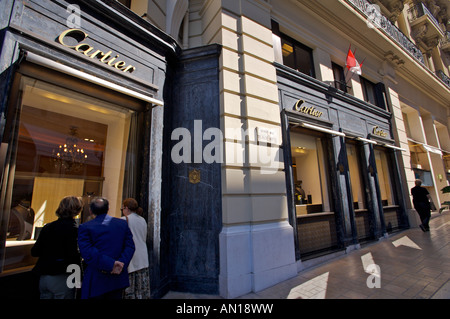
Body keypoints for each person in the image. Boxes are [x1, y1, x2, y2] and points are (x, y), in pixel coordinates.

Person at [78, 197, 135, 299]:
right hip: (117, 278)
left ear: (90, 211)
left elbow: (88, 252)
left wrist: (111, 264)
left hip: (97, 278)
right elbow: (130, 247)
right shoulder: (122, 224)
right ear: (108, 208)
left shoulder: (85, 227)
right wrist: (121, 263)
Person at [31, 196, 83, 299]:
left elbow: (35, 251)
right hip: (62, 276)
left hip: (44, 275)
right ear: (77, 211)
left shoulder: (48, 227)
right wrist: (78, 281)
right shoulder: (74, 230)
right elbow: (74, 256)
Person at [121, 198, 151, 299]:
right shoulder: (142, 220)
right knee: (141, 288)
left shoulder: (123, 220)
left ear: (126, 208)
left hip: (131, 256)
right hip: (142, 256)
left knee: (130, 288)